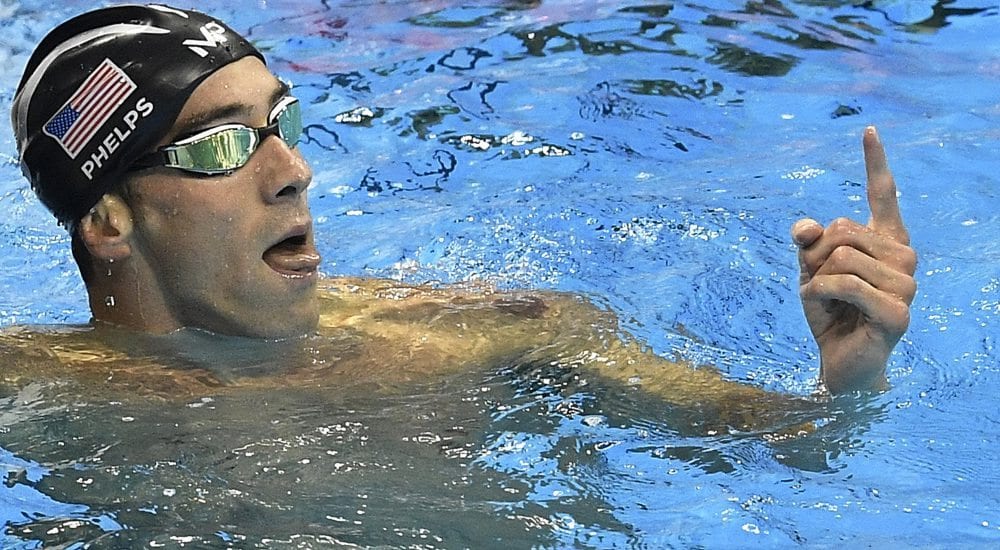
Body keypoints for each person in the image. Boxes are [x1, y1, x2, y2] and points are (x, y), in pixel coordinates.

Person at [6, 5, 916, 418]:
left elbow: (786, 452)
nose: (294, 172)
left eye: (284, 124)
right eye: (222, 145)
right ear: (109, 220)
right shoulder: (37, 397)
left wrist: (849, 386)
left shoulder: (486, 336)